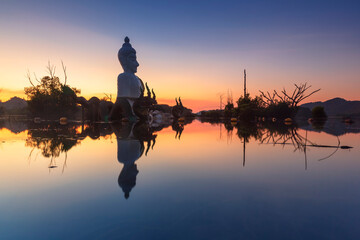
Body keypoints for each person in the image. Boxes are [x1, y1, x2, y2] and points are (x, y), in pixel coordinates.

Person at [110, 37, 144, 121]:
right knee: (110, 119)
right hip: (127, 110)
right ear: (124, 60)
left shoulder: (138, 79)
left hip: (137, 109)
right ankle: (108, 120)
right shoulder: (122, 77)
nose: (137, 64)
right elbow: (122, 100)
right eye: (133, 59)